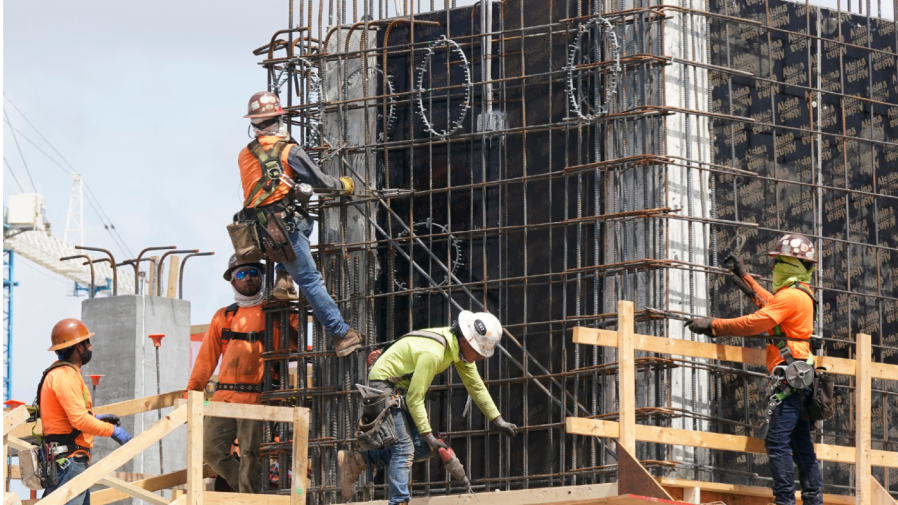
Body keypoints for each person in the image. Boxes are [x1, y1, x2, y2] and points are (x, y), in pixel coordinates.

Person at [686, 233, 823, 505]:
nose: (773, 268)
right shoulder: (799, 294)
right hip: (799, 378)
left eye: (779, 262)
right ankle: (812, 501)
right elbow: (769, 304)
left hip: (790, 378)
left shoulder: (793, 296)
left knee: (776, 441)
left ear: (793, 264)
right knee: (801, 444)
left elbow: (755, 322)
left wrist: (714, 325)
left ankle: (785, 501)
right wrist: (744, 277)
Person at [337, 311, 518, 505]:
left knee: (425, 448)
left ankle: (358, 461)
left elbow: (476, 386)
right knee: (404, 449)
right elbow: (415, 398)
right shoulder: (435, 352)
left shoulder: (458, 350)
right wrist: (428, 433)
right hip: (383, 387)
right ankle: (399, 501)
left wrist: (497, 419)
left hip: (401, 391)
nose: (481, 357)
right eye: (479, 351)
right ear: (465, 340)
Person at [238, 90, 363, 357]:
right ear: (278, 120)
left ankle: (283, 277)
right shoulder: (289, 151)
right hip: (283, 231)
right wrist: (343, 185)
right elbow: (320, 183)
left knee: (303, 220)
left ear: (254, 124)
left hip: (258, 232)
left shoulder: (244, 154)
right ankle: (342, 335)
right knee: (310, 281)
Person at [186, 255, 300, 493]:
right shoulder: (224, 316)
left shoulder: (277, 312)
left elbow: (296, 346)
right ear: (232, 282)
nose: (248, 277)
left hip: (256, 398)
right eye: (240, 274)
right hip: (224, 399)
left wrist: (283, 316)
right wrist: (193, 393)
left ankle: (249, 498)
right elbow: (206, 358)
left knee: (251, 455)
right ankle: (245, 492)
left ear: (261, 277)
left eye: (253, 273)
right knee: (210, 450)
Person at [39, 318, 132, 505]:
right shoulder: (65, 377)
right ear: (79, 347)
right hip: (69, 463)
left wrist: (95, 418)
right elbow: (79, 421)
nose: (90, 347)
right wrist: (112, 430)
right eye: (87, 342)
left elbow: (68, 416)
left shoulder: (59, 374)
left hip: (65, 461)